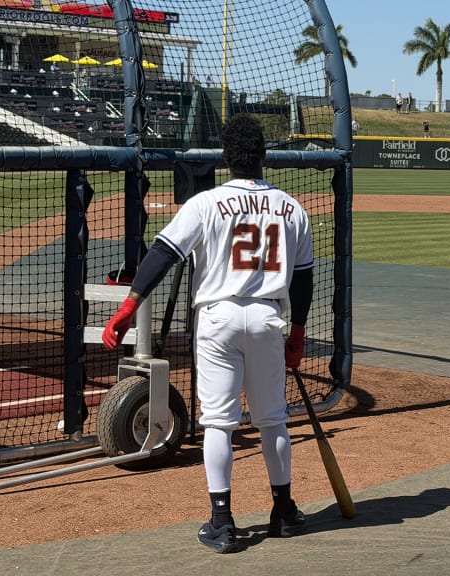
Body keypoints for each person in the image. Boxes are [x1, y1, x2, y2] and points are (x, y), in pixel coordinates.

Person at [102, 113, 314, 554]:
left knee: (219, 422)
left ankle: (222, 522)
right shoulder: (293, 208)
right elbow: (303, 280)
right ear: (263, 157)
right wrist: (297, 333)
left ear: (225, 159)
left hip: (217, 318)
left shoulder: (205, 203)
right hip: (267, 318)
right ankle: (284, 511)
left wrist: (129, 306)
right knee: (272, 418)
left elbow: (162, 254)